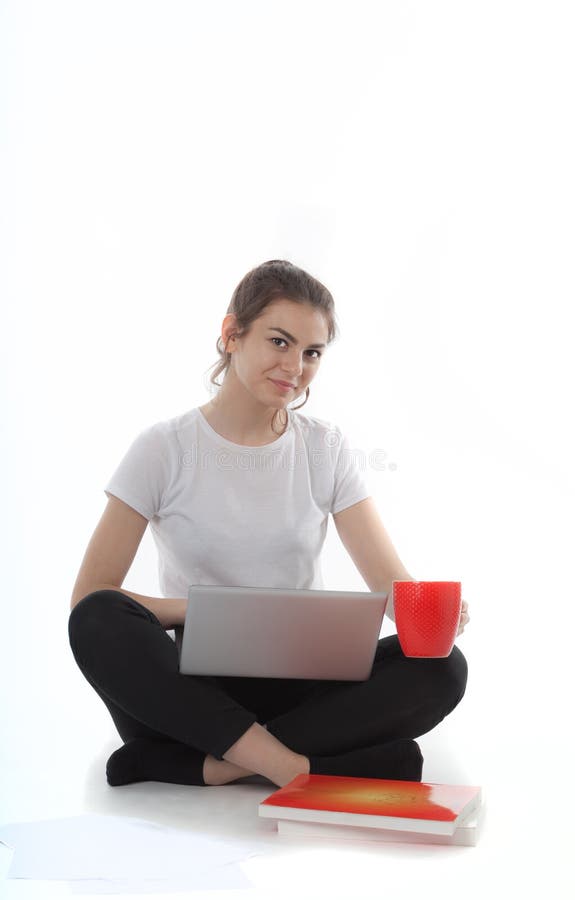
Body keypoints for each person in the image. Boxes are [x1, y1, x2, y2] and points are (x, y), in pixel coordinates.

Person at [68, 259, 470, 790]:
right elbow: (91, 595)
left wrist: (433, 618)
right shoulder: (163, 448)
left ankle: (210, 766)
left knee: (444, 668)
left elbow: (392, 588)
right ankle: (296, 766)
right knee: (98, 619)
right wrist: (211, 612)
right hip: (197, 687)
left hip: (303, 680)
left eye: (312, 353)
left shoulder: (324, 447)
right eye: (279, 342)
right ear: (232, 334)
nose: (295, 366)